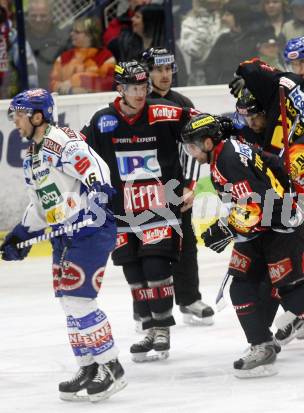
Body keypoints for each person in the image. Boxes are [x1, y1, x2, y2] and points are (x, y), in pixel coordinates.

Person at [183, 113, 304, 377]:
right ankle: (262, 346)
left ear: (208, 143)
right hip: (259, 232)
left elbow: (255, 208)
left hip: (281, 231)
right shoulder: (230, 150)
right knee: (241, 287)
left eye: (192, 146)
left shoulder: (228, 159)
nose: (191, 152)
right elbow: (276, 166)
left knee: (292, 293)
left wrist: (225, 227)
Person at [0, 88, 126, 402]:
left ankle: (112, 369)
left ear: (37, 115)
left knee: (80, 301)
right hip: (63, 234)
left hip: (90, 228)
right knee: (68, 304)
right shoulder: (32, 156)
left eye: (19, 114)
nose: (15, 120)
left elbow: (93, 164)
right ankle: (88, 367)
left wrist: (99, 190)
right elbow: (42, 205)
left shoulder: (60, 140)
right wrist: (21, 234)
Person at [229, 59, 304, 360]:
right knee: (303, 267)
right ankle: (300, 327)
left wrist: (248, 75)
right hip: (291, 202)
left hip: (301, 200)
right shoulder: (302, 109)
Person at [81, 60, 194, 362]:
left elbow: (201, 129)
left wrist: (190, 184)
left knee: (157, 268)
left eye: (144, 86)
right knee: (135, 273)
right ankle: (148, 328)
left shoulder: (163, 113)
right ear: (120, 89)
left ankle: (162, 329)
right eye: (134, 87)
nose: (141, 93)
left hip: (159, 207)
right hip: (119, 212)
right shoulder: (103, 120)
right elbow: (81, 154)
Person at [140, 47, 215, 325]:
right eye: (158, 69)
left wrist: (190, 186)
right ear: (147, 73)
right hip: (144, 190)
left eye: (168, 69)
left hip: (176, 186)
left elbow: (193, 147)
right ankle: (147, 307)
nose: (164, 75)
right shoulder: (140, 104)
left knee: (185, 243)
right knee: (148, 248)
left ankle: (189, 298)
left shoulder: (183, 102)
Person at [49, 16, 115, 94]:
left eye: (77, 32)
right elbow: (51, 82)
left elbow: (110, 82)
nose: (71, 34)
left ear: (90, 35)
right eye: (72, 31)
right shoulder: (64, 57)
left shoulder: (105, 56)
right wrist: (70, 90)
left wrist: (78, 80)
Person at [25, 0, 70, 89]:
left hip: (54, 94)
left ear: (51, 16)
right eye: (34, 16)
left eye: (43, 16)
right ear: (27, 16)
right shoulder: (19, 39)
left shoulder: (63, 39)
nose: (38, 19)